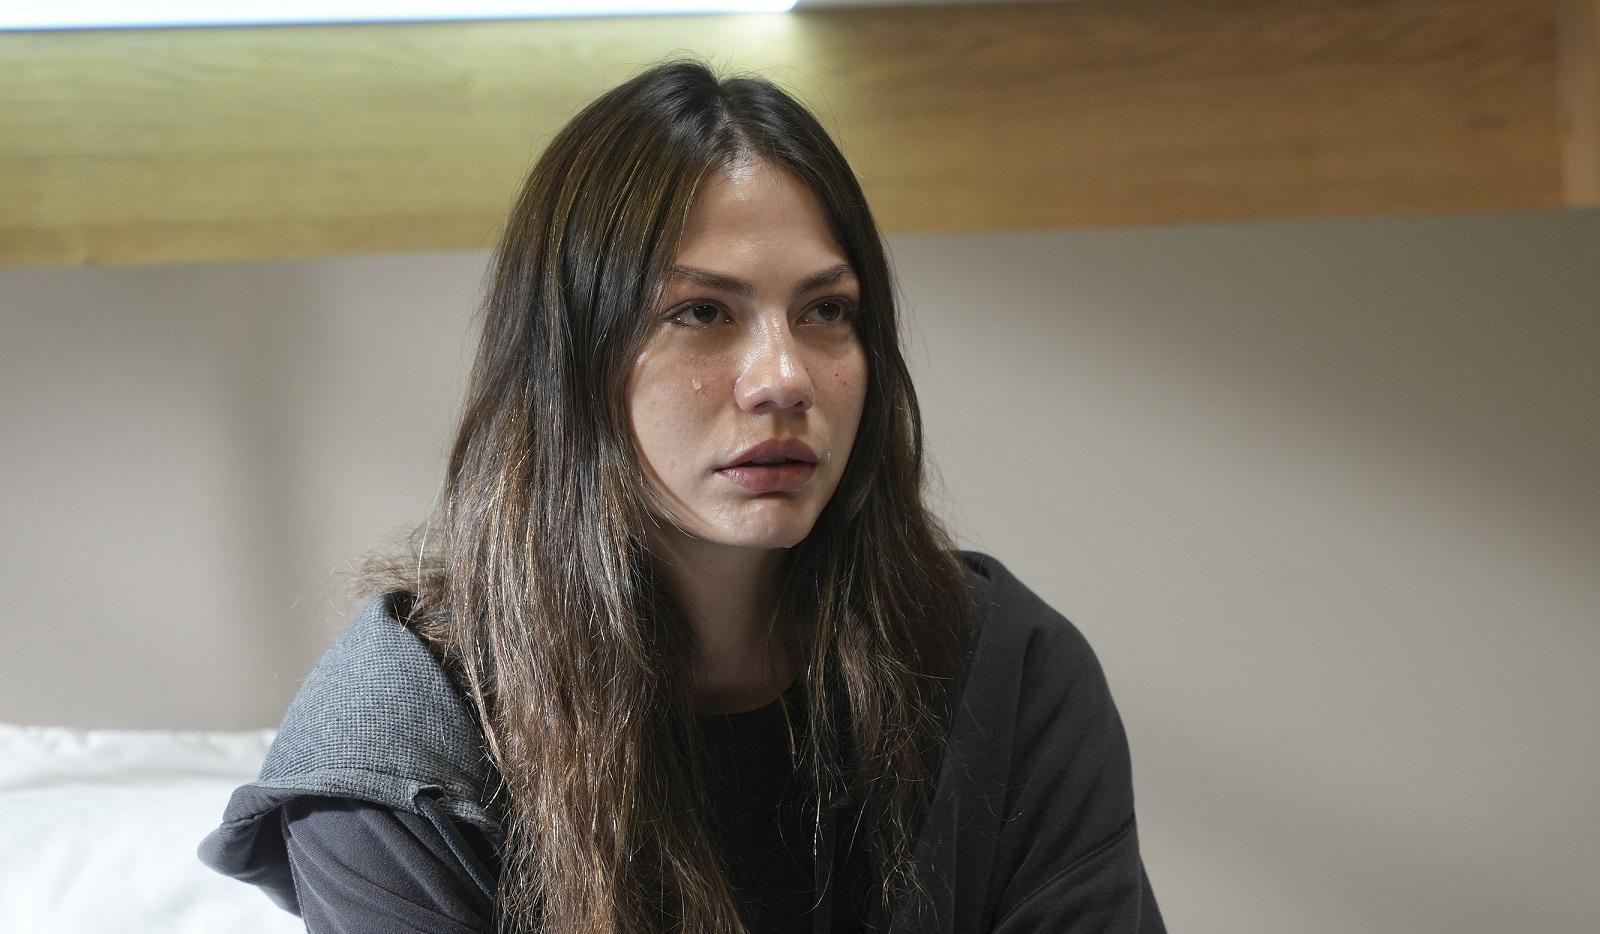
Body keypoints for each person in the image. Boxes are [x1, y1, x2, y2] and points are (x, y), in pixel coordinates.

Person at [200, 59, 1164, 934]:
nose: (784, 377)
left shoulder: (1005, 670)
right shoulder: (402, 739)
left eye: (827, 311)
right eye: (701, 311)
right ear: (570, 360)